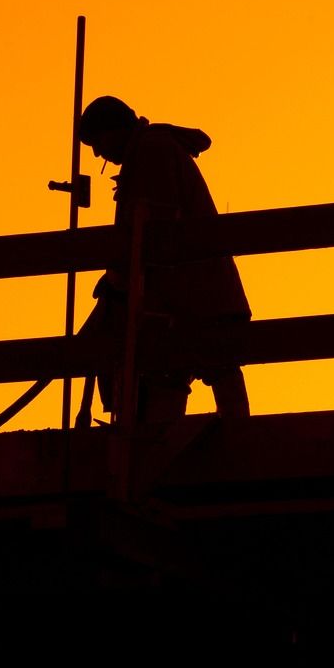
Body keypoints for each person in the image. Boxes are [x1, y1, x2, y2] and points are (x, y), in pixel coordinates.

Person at [78, 95, 251, 422]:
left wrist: (118, 281)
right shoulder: (149, 152)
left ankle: (237, 449)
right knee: (176, 373)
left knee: (205, 369)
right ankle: (187, 447)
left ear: (114, 129)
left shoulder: (151, 154)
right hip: (189, 297)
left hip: (195, 296)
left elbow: (153, 234)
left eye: (97, 142)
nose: (98, 154)